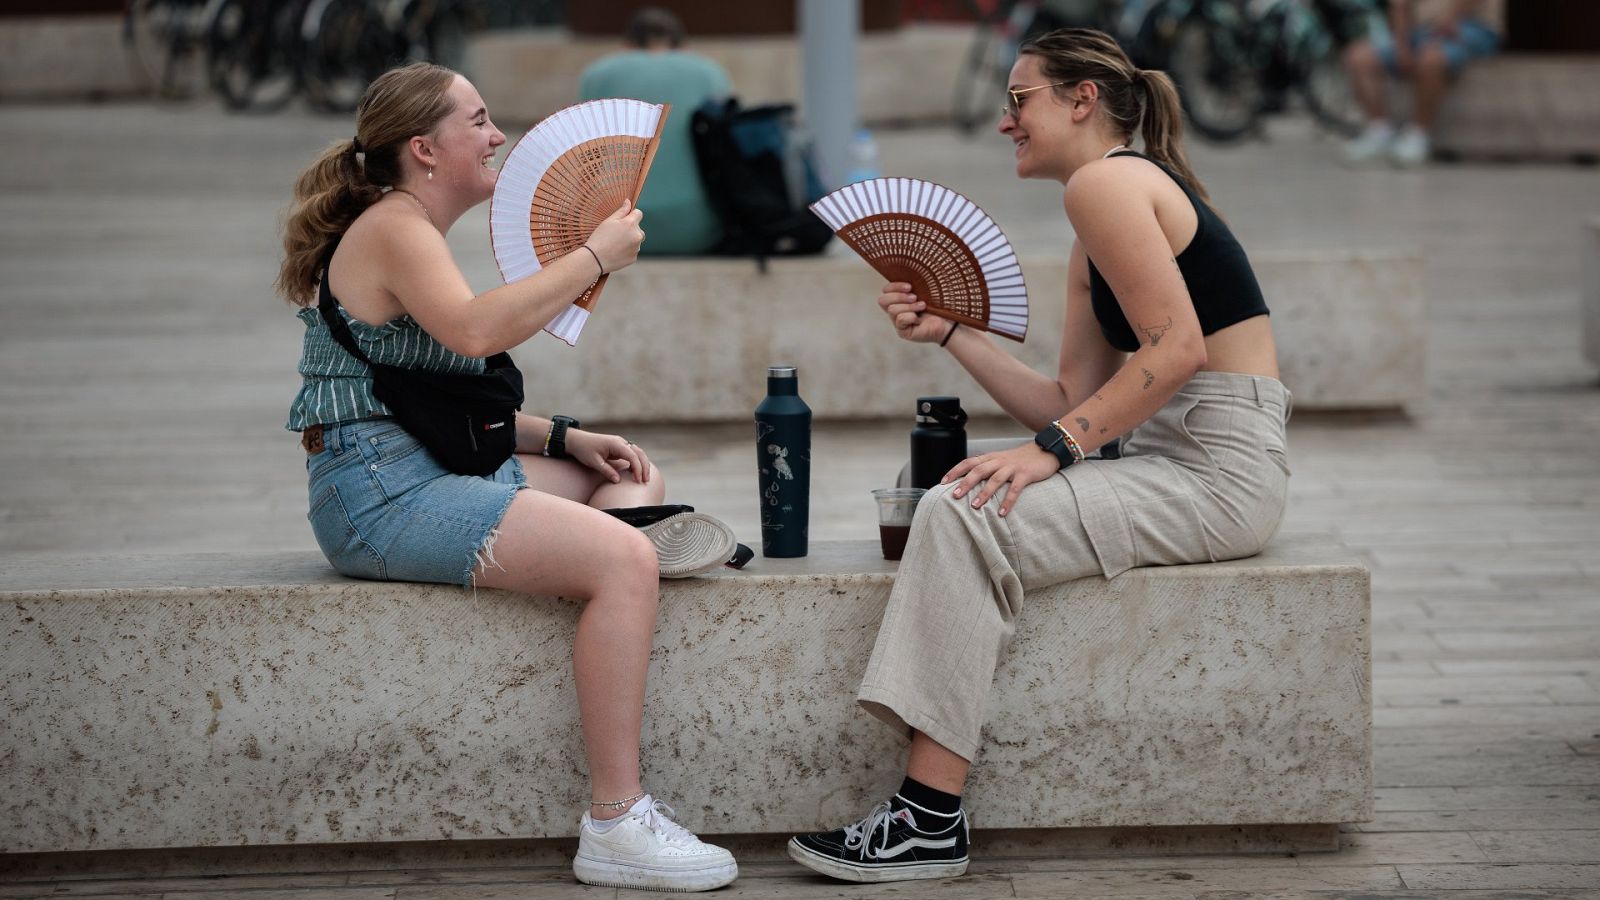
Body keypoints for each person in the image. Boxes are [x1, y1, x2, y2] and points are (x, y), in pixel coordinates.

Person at [787, 28, 1291, 882]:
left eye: (1019, 100)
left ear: (1081, 99)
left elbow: (1176, 354)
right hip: (1178, 454)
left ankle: (927, 818)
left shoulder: (1106, 184)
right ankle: (924, 796)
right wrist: (951, 330)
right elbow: (1065, 403)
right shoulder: (1106, 204)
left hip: (1217, 471)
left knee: (964, 511)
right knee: (945, 480)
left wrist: (1053, 453)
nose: (1004, 122)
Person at [276, 62, 738, 893]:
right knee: (622, 560)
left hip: (416, 460)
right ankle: (616, 823)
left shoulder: (409, 228)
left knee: (630, 473)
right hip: (378, 493)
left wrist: (565, 435)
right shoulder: (395, 225)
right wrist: (596, 254)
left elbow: (424, 394)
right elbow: (472, 330)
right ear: (425, 147)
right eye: (480, 121)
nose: (498, 138)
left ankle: (616, 558)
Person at [578, 7, 732, 254]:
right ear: (684, 48)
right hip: (698, 227)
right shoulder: (710, 73)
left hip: (615, 230)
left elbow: (586, 158)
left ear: (627, 46)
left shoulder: (597, 74)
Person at [1341, 0, 1505, 167]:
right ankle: (1380, 132)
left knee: (1431, 57)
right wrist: (1401, 47)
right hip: (1421, 32)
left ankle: (1418, 135)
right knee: (1359, 57)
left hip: (1473, 27)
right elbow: (1399, 7)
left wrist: (1450, 18)